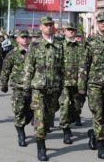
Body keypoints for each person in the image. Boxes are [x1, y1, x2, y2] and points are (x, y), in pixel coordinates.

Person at [78, 12, 104, 159]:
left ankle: (94, 133)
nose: (103, 24)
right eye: (101, 21)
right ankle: (101, 144)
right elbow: (84, 65)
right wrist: (81, 86)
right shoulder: (90, 42)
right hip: (95, 84)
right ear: (97, 23)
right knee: (97, 113)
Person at [23, 17, 64, 161]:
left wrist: (63, 87)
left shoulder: (60, 45)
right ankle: (41, 148)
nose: (49, 27)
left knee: (48, 119)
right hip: (38, 88)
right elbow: (28, 68)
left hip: (54, 89)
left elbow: (63, 68)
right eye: (46, 25)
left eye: (51, 25)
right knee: (39, 119)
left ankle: (42, 134)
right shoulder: (35, 46)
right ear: (41, 27)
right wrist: (26, 88)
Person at [0, 30, 33, 147]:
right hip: (18, 87)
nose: (25, 39)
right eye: (22, 37)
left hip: (33, 88)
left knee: (32, 111)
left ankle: (25, 121)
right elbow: (5, 70)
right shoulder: (12, 54)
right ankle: (21, 133)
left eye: (27, 37)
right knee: (19, 111)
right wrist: (3, 85)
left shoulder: (35, 53)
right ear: (17, 39)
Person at [59, 23, 85, 145]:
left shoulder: (81, 46)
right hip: (63, 82)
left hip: (78, 83)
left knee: (77, 108)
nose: (71, 32)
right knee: (64, 107)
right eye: (68, 30)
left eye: (73, 30)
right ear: (64, 31)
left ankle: (71, 121)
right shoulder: (59, 46)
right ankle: (66, 129)